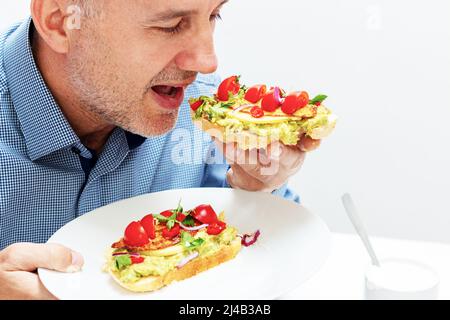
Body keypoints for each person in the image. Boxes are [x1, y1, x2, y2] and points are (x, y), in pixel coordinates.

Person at [0, 0, 321, 299]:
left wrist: (255, 188)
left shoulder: (203, 106)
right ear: (59, 22)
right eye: (170, 25)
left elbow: (284, 256)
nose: (208, 62)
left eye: (213, 15)